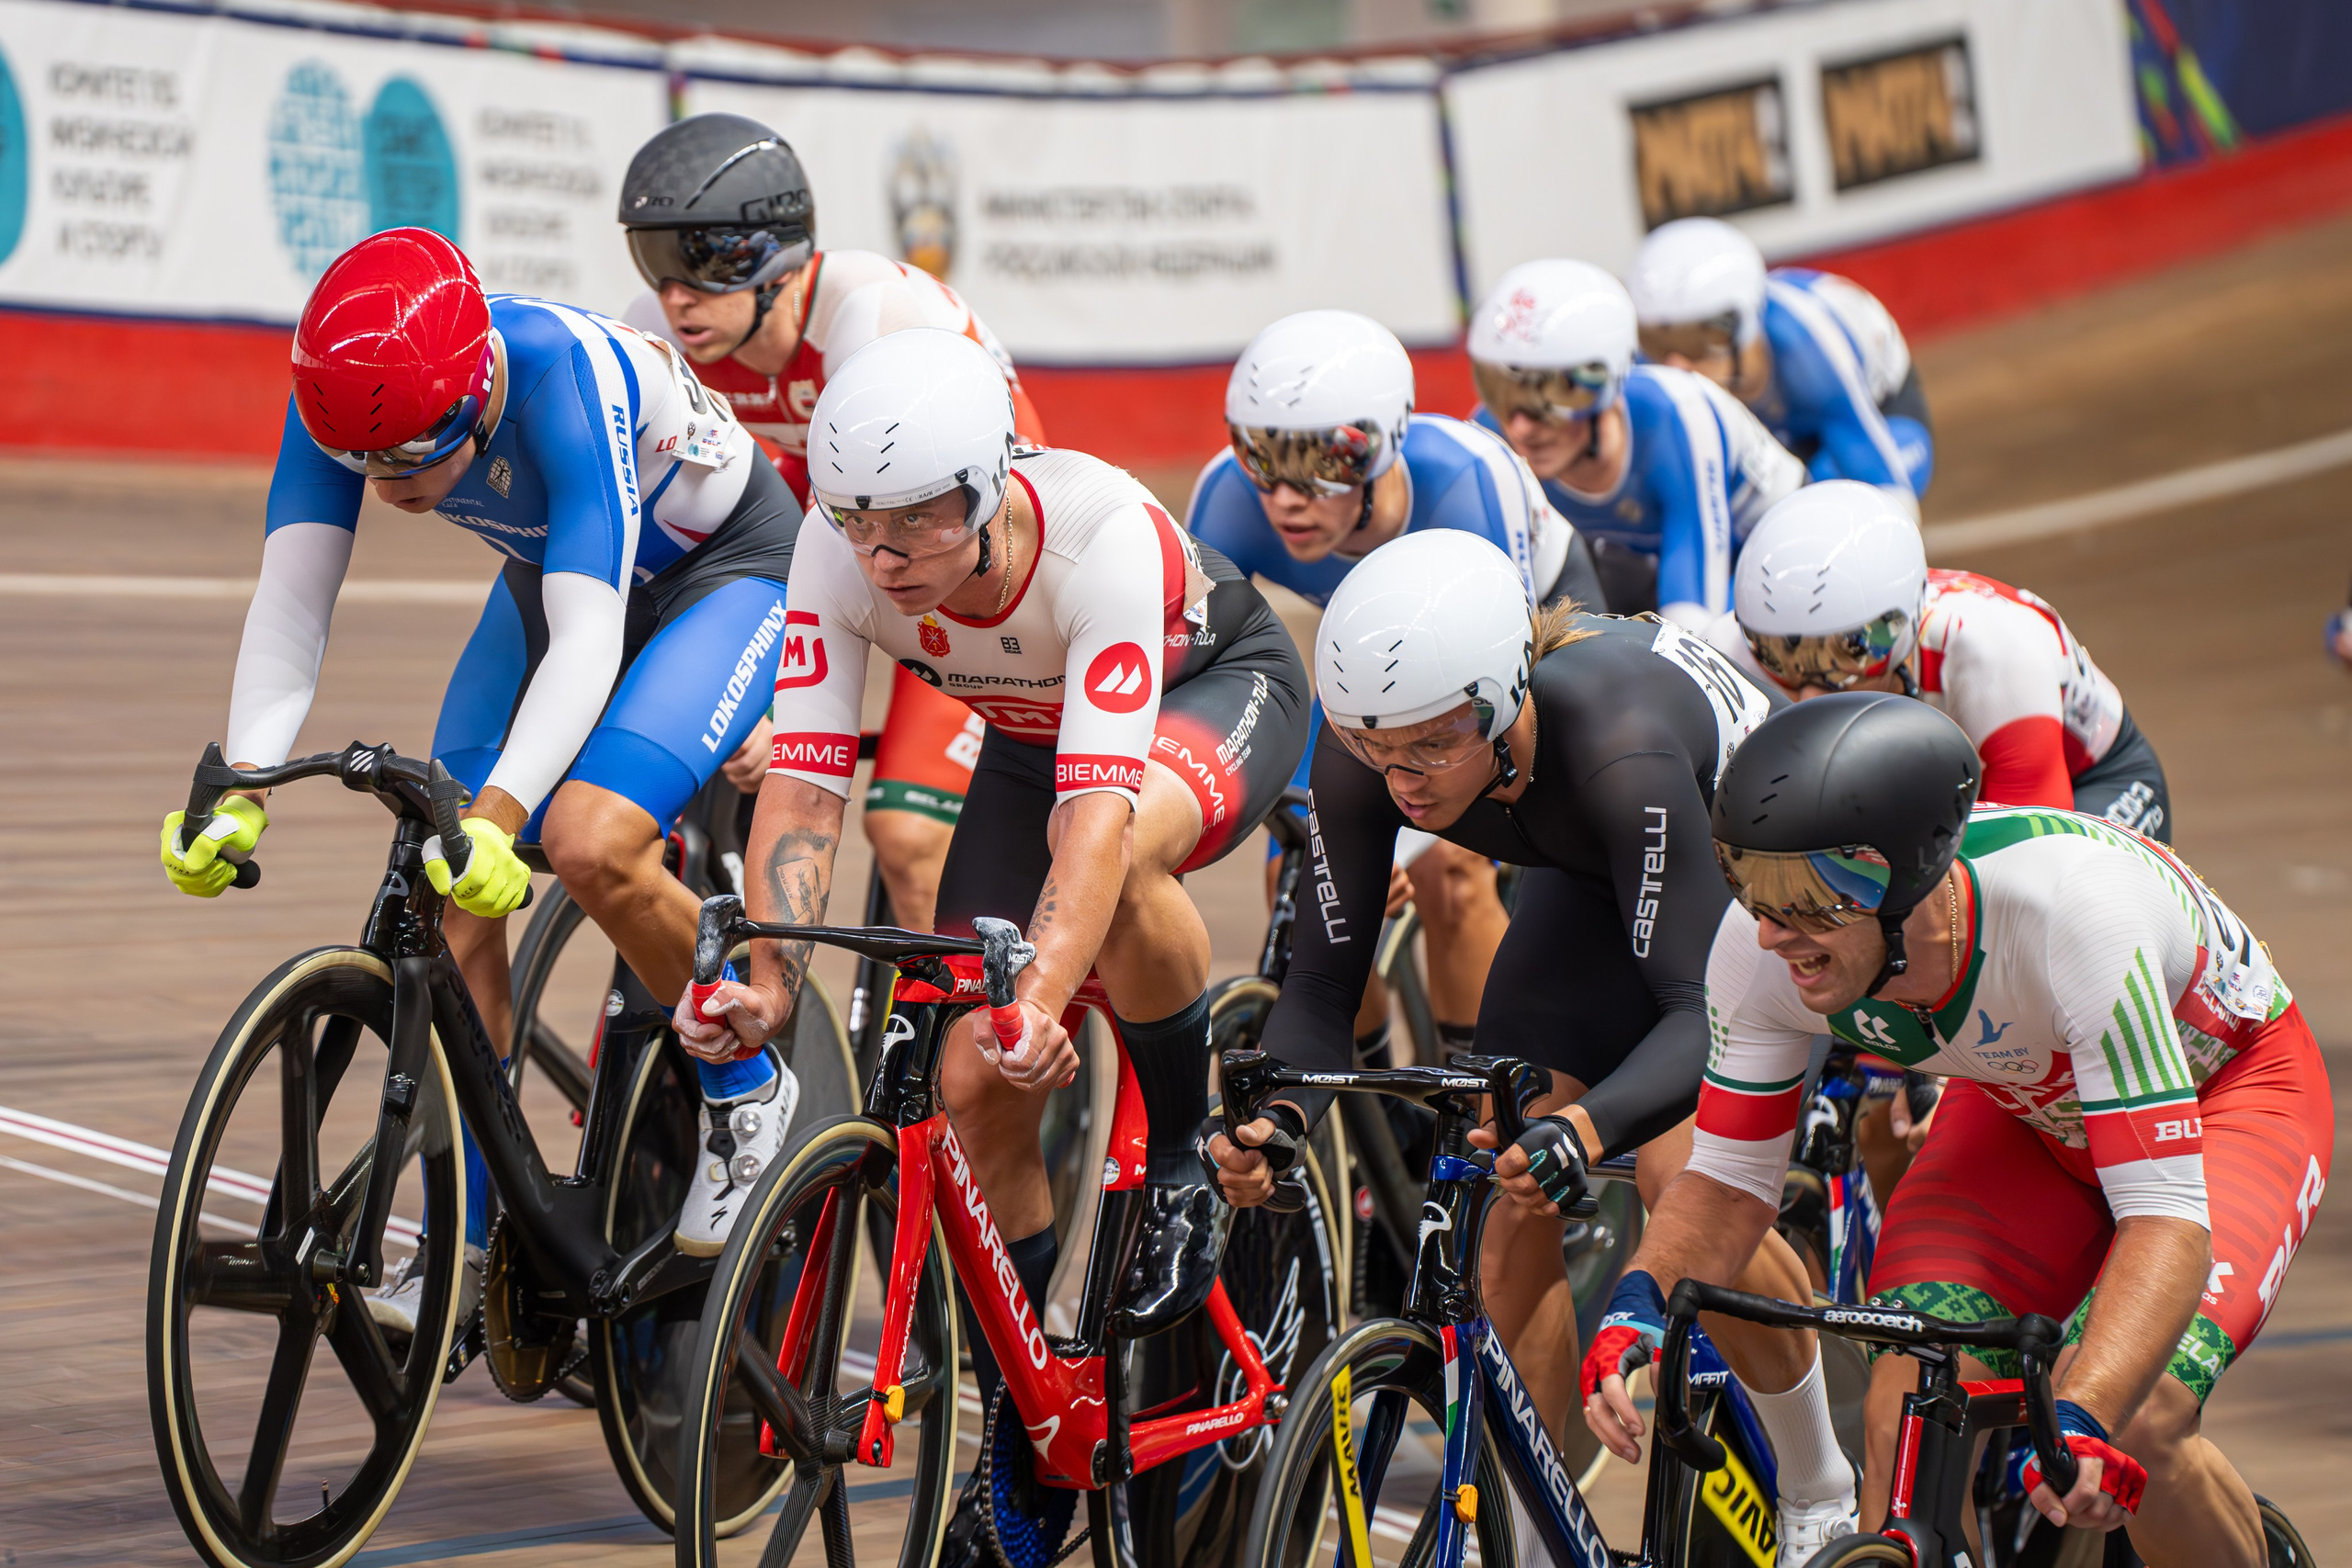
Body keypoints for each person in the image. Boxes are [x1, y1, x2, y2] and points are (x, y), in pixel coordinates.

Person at [155, 229, 808, 1306]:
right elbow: (291, 600)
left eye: (416, 456)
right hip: (557, 570)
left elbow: (589, 637)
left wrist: (503, 814)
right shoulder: (344, 392)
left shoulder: (563, 379)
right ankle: (463, 1239)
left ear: (477, 390)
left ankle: (747, 1083)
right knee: (444, 869)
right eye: (366, 466)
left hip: (723, 572)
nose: (390, 487)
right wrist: (244, 785)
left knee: (589, 841)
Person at [1210, 532, 1867, 1563]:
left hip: (1749, 883)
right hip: (1587, 870)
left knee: (1683, 1178)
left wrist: (1590, 1126)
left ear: (1504, 696)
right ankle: (1523, 1529)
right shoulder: (1369, 744)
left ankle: (1819, 1480)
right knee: (1502, 1184)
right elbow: (1323, 987)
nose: (1403, 782)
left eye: (1432, 747)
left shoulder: (1620, 743)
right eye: (1377, 752)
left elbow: (1698, 1013)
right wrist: (1280, 1119)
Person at [674, 325, 1309, 1360]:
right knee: (971, 1083)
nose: (883, 558)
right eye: (859, 522)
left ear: (986, 489)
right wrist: (770, 985)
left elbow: (1095, 821)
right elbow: (805, 786)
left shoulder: (1097, 540)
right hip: (1037, 736)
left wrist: (1040, 1000)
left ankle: (1182, 1159)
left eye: (916, 522)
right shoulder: (833, 550)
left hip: (1210, 686)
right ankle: (1028, 1399)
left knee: (1116, 857)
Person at [1587, 694, 2332, 1568]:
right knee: (1906, 1411)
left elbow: (2164, 1218)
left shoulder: (2073, 916)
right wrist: (1636, 1302)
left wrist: (2085, 1410)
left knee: (2143, 1418)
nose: (1771, 931)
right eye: (1750, 883)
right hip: (2030, 1106)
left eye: (1811, 898)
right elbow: (1725, 1186)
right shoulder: (1761, 954)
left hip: (2230, 1099)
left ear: (1906, 881)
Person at [618, 112, 1037, 933]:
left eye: (700, 263)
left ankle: (965, 1013)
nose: (674, 295)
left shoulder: (870, 315)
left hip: (965, 533)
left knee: (907, 833)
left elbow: (865, 551)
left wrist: (783, 709)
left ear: (775, 260)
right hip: (828, 494)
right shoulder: (657, 329)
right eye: (654, 260)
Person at [1190, 308, 1603, 1057]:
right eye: (1261, 458)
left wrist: (1402, 843)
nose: (1285, 497)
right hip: (1371, 656)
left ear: (1383, 447)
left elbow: (1496, 699)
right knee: (1306, 887)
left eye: (1323, 462)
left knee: (1451, 869)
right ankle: (1374, 1106)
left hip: (1516, 638)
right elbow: (1198, 669)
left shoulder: (1468, 484)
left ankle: (1474, 1102)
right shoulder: (1227, 496)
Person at [1731, 481, 2170, 841]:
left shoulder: (1996, 653)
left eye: (1850, 649)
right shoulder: (1728, 646)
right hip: (1937, 779)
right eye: (1778, 655)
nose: (1809, 694)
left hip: (2089, 778)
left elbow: (2038, 856)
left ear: (1904, 624)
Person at [1466, 258, 1804, 625]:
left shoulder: (1679, 416)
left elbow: (1695, 621)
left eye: (1547, 399)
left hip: (1773, 546)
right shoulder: (1488, 436)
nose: (1520, 428)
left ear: (1606, 384)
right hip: (1640, 554)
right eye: (1500, 394)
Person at [1627, 218, 1932, 505]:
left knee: (1825, 493)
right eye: (1654, 343)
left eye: (1691, 343)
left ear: (1737, 327)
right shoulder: (1648, 364)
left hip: (1876, 412)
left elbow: (1887, 486)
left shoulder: (1807, 346)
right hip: (1784, 428)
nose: (1674, 365)